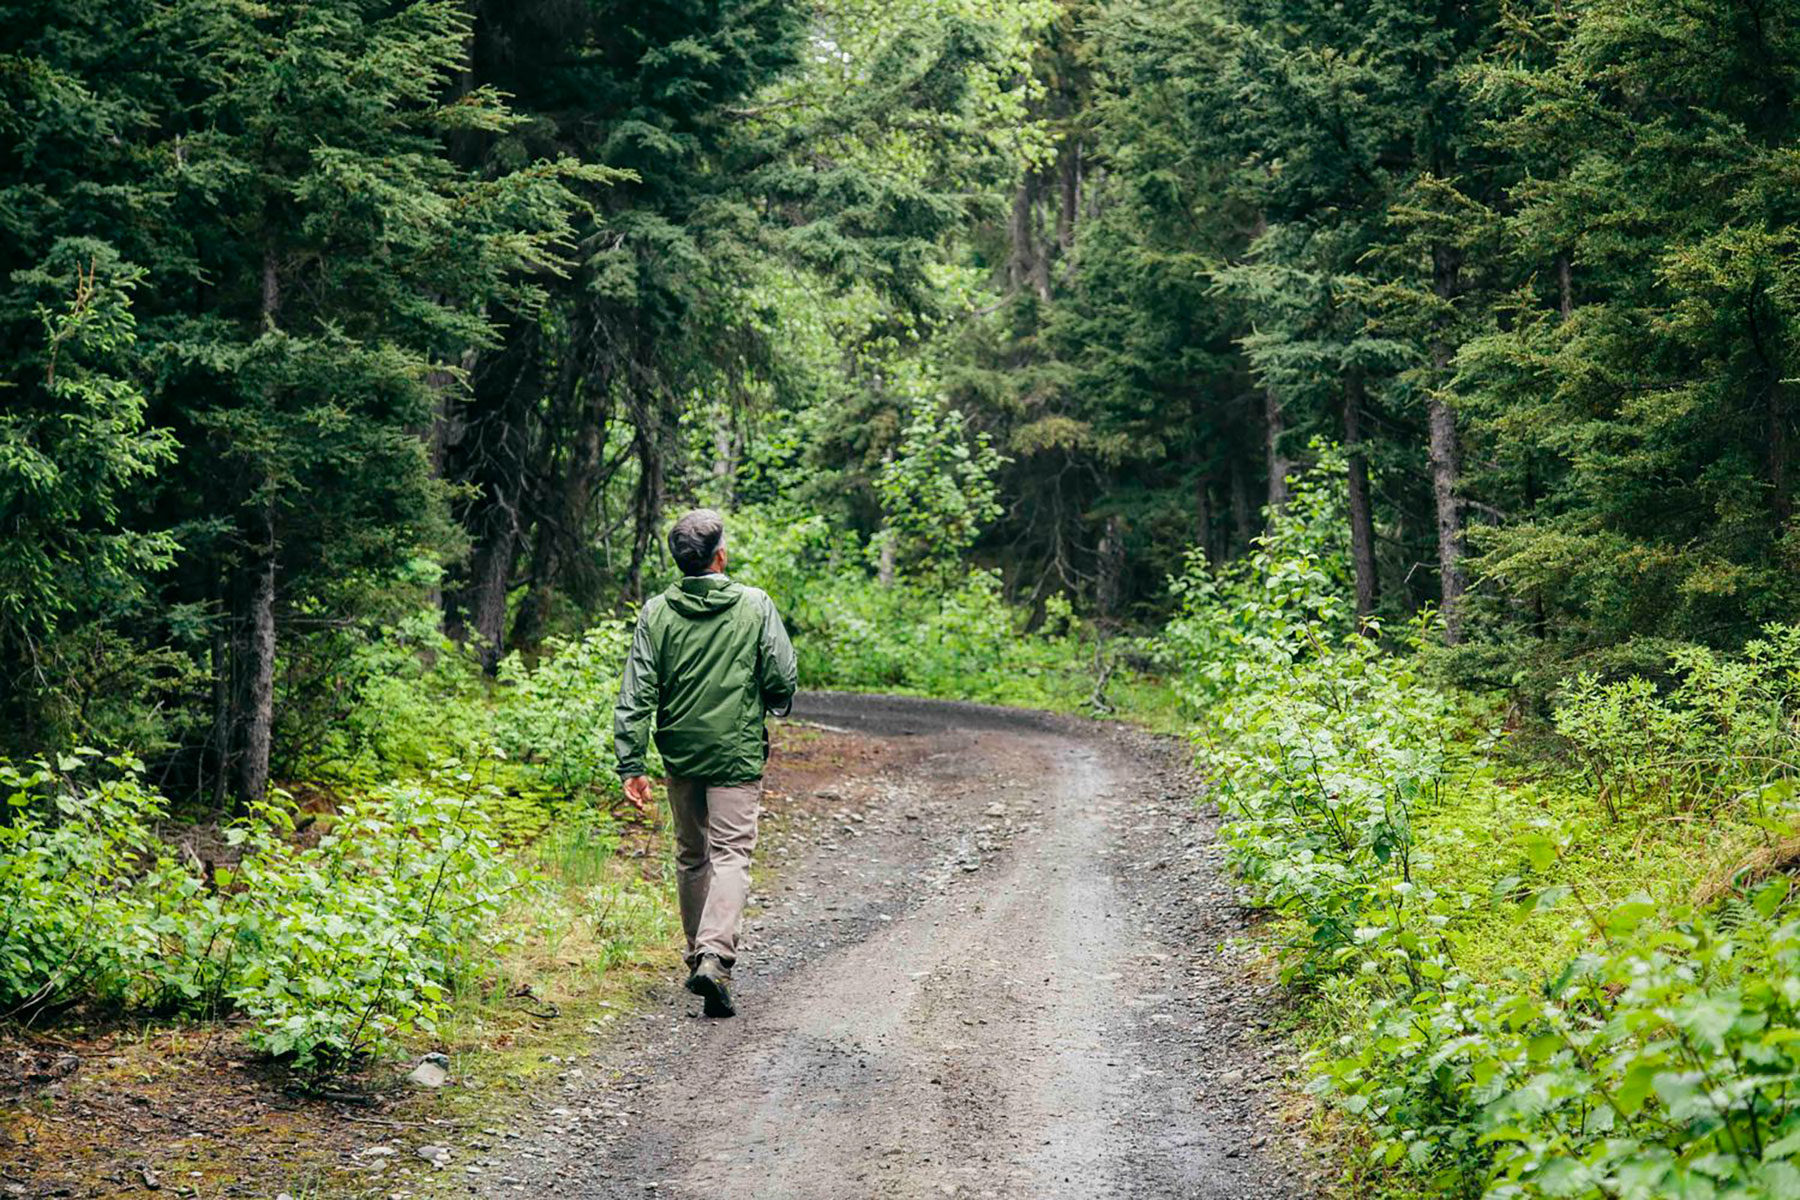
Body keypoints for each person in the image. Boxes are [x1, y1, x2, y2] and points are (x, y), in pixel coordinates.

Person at [613, 509, 798, 1017]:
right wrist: (775, 698)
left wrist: (631, 762)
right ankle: (714, 957)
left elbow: (636, 691)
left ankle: (698, 953)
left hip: (681, 754)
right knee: (732, 852)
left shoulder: (656, 612)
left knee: (692, 855)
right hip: (735, 752)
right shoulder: (754, 605)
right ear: (720, 555)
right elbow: (781, 674)